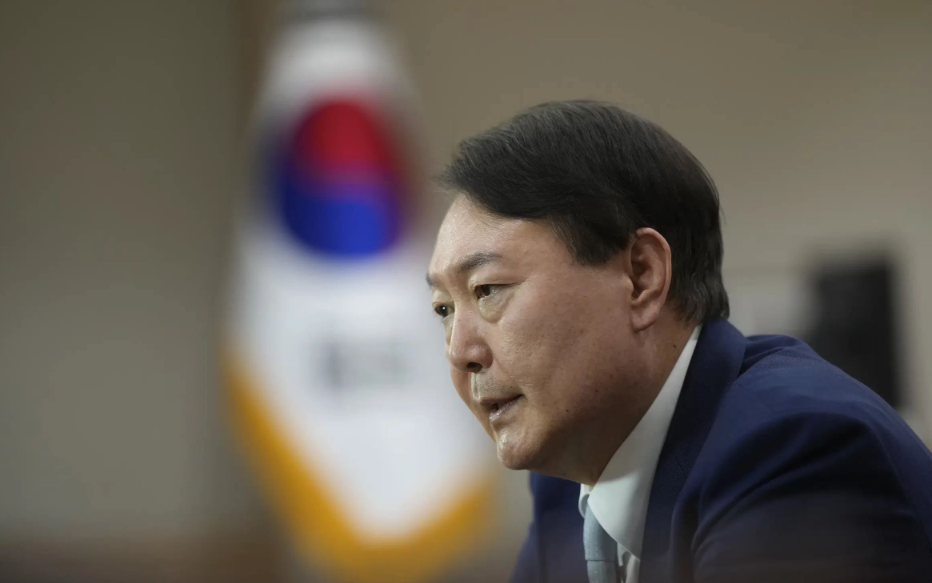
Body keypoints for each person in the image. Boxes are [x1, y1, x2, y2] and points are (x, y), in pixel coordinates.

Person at [425, 101, 932, 583]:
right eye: (444, 310)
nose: (459, 352)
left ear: (641, 277)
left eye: (487, 290)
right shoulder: (566, 483)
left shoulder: (795, 450)